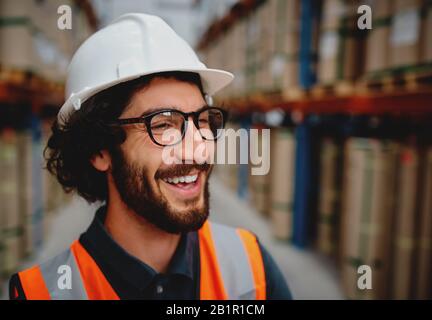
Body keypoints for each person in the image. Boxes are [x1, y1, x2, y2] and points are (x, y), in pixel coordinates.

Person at [9, 13, 291, 300]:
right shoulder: (42, 293)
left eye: (203, 121)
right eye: (164, 124)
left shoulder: (250, 265)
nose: (198, 148)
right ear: (98, 150)